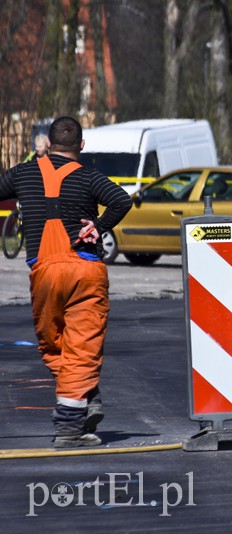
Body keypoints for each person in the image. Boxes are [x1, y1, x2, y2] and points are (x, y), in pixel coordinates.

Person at [0, 116, 133, 448]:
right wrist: (98, 226)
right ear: (82, 146)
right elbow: (122, 200)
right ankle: (71, 427)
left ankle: (84, 398)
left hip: (43, 272)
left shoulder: (23, 173)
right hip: (85, 270)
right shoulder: (89, 176)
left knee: (53, 345)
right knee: (82, 347)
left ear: (46, 144)